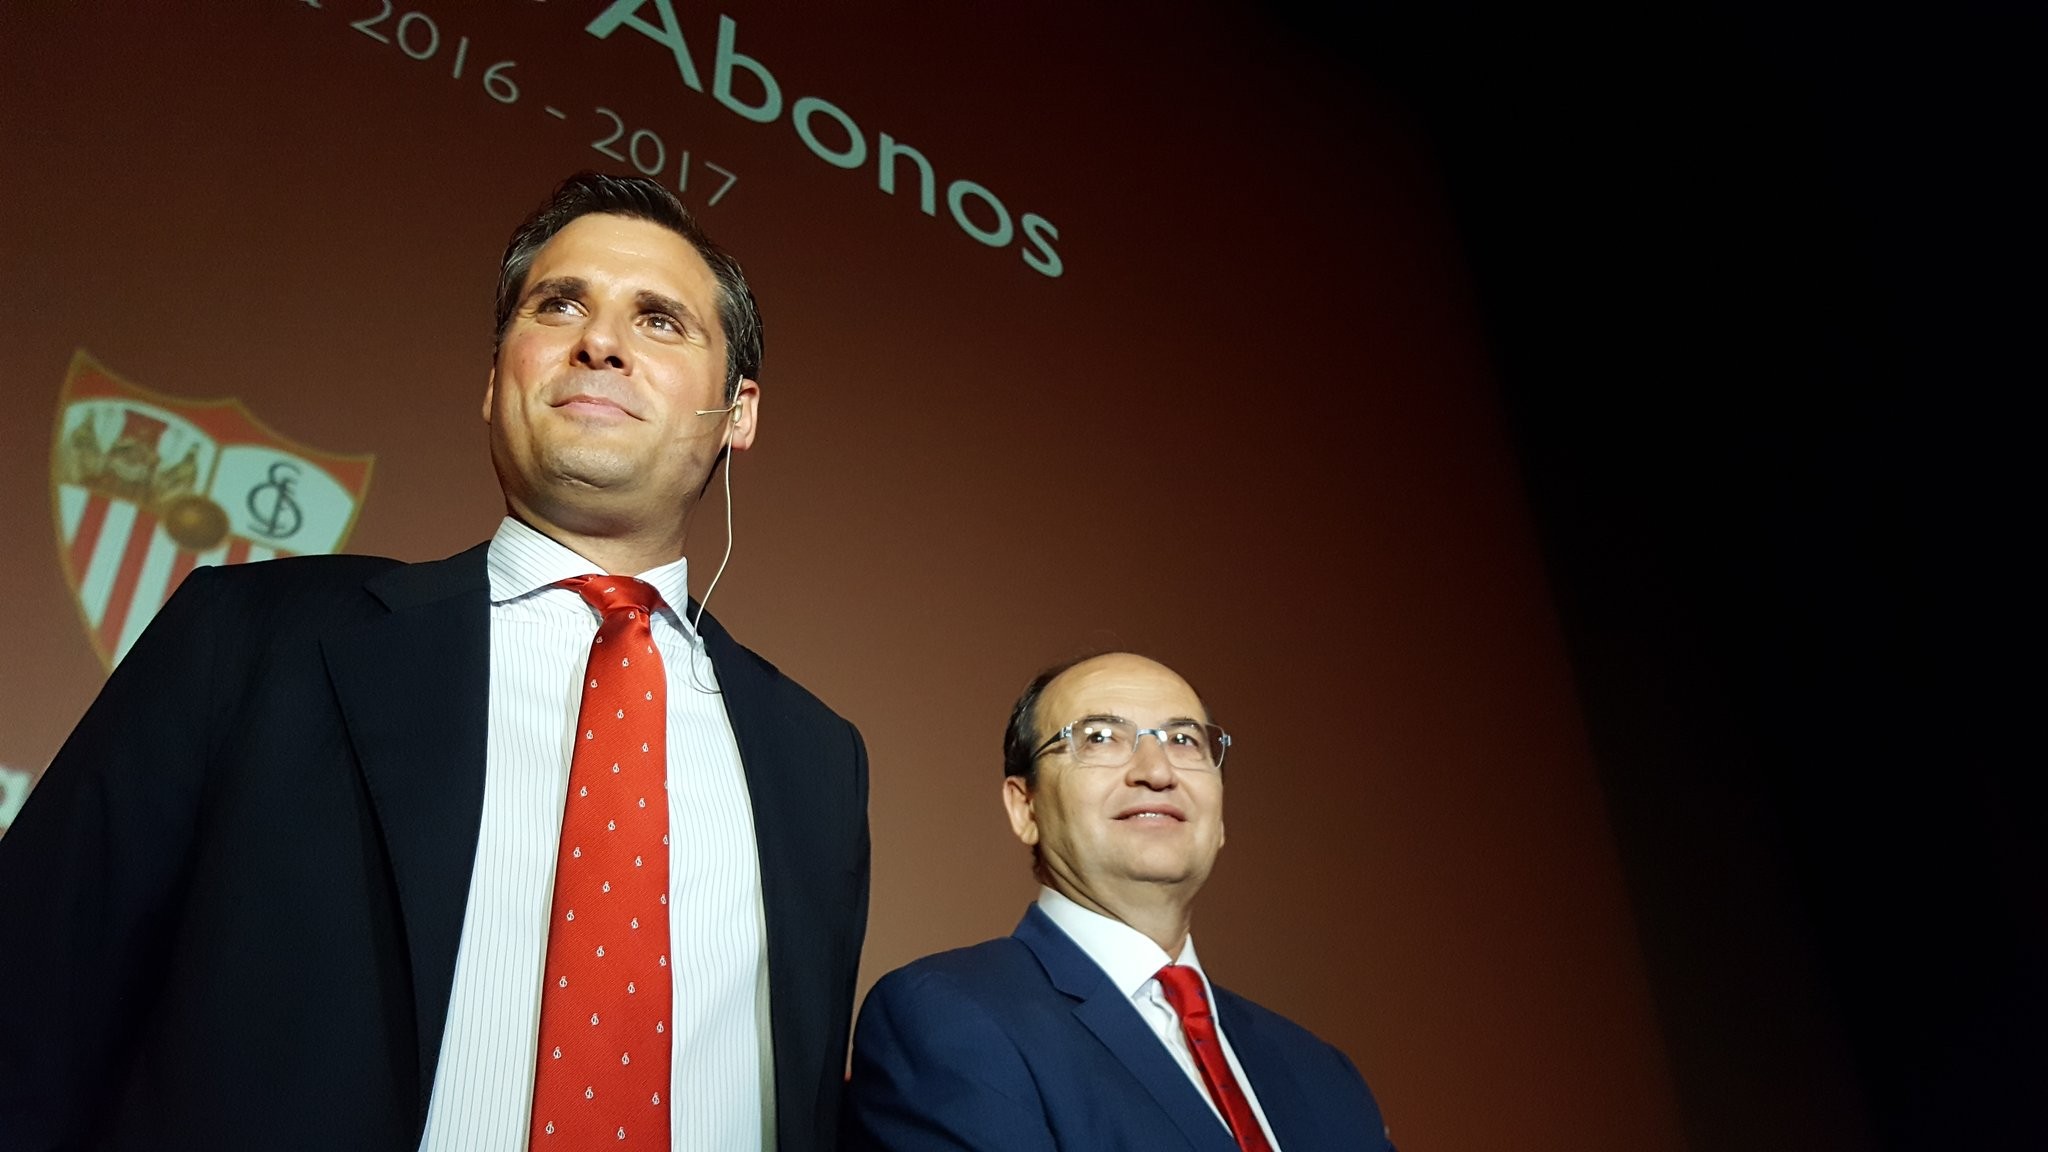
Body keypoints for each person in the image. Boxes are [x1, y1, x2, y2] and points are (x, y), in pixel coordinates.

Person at [0, 173, 868, 1152]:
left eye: (659, 320)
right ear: (495, 380)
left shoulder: (818, 763)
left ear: (738, 412)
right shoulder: (250, 640)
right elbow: (28, 1017)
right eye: (558, 305)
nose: (600, 342)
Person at [843, 653, 1393, 1151]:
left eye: (1184, 741)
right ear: (1025, 807)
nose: (1156, 771)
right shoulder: (948, 1018)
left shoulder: (1322, 1072)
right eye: (1100, 738)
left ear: (1220, 816)